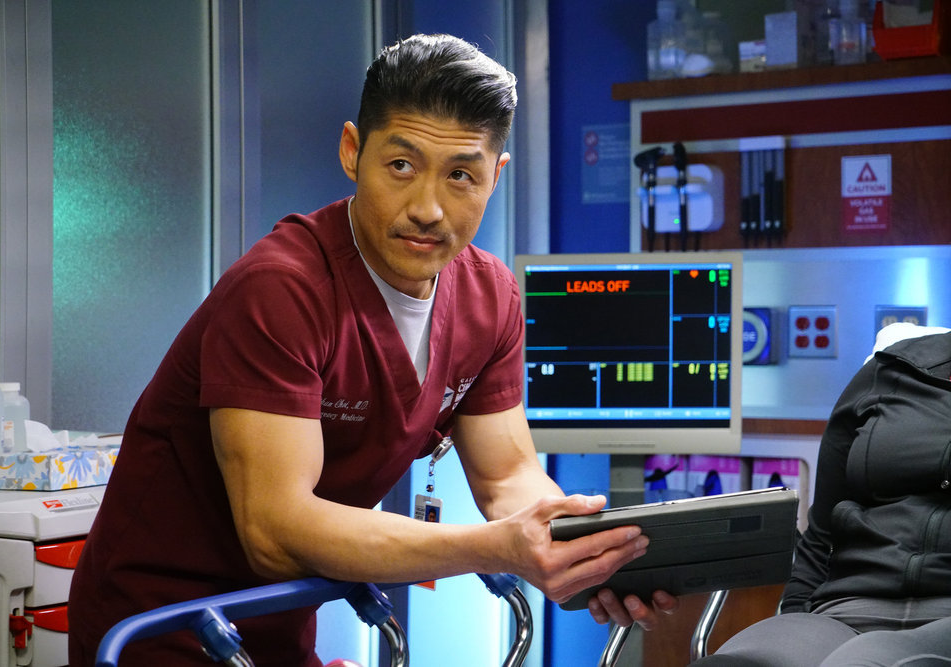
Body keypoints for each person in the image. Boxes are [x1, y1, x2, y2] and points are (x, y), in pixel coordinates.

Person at [68, 33, 676, 666]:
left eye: (461, 175)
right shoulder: (281, 290)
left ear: (495, 177)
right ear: (352, 151)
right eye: (402, 166)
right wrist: (497, 547)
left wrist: (589, 551)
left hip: (277, 622)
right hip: (160, 624)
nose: (428, 209)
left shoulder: (489, 297)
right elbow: (274, 532)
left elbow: (507, 477)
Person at [693, 330, 951, 666]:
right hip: (846, 607)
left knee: (865, 659)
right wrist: (796, 614)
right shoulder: (894, 368)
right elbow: (822, 531)